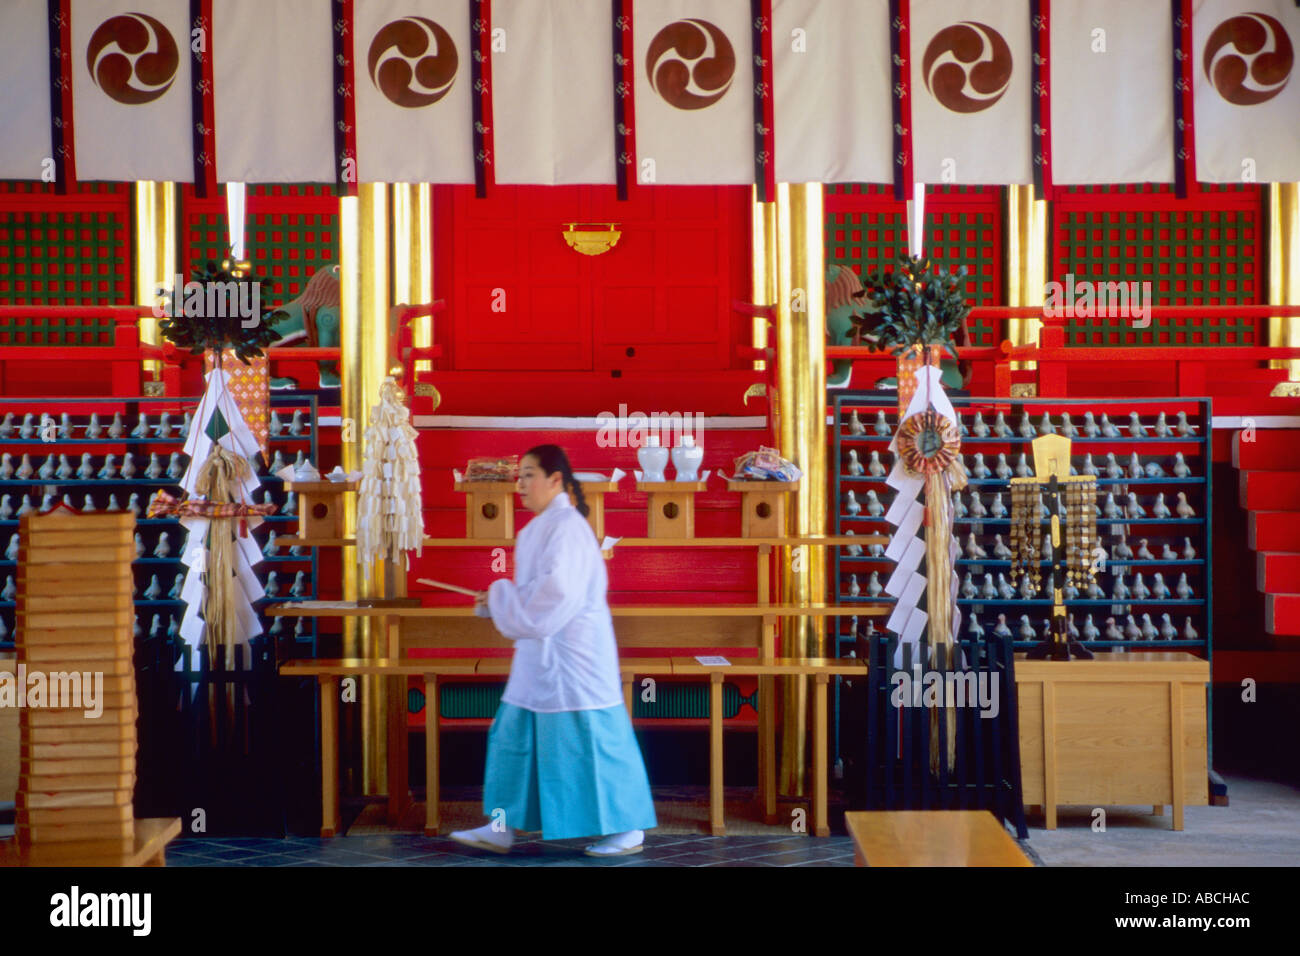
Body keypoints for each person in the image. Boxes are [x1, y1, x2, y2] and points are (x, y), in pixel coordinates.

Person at [449, 445, 658, 857]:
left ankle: (627, 828)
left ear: (555, 480)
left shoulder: (568, 528)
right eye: (519, 475)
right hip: (539, 653)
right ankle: (501, 825)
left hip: (573, 655)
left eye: (529, 474)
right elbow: (535, 593)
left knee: (596, 741)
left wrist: (501, 596)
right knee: (512, 736)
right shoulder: (540, 528)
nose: (520, 484)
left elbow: (557, 593)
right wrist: (500, 599)